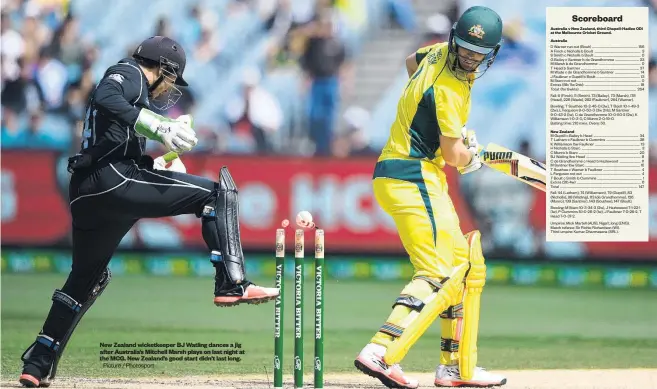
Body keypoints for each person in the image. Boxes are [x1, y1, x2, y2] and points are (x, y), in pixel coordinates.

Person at [18, 35, 279, 388]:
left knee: (85, 279)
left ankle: (38, 361)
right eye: (173, 78)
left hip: (91, 193)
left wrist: (157, 162)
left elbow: (115, 141)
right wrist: (159, 127)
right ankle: (231, 283)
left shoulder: (136, 94)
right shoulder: (128, 72)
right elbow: (105, 97)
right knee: (218, 194)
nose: (171, 87)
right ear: (164, 68)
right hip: (111, 182)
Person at [353, 6, 507, 389]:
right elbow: (455, 157)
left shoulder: (437, 51)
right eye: (466, 49)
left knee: (461, 265)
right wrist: (470, 156)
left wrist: (441, 129)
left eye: (478, 52)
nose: (469, 58)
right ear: (456, 38)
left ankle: (452, 367)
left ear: (492, 52)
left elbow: (411, 61)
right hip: (412, 173)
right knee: (437, 273)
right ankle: (381, 351)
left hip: (412, 172)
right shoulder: (452, 88)